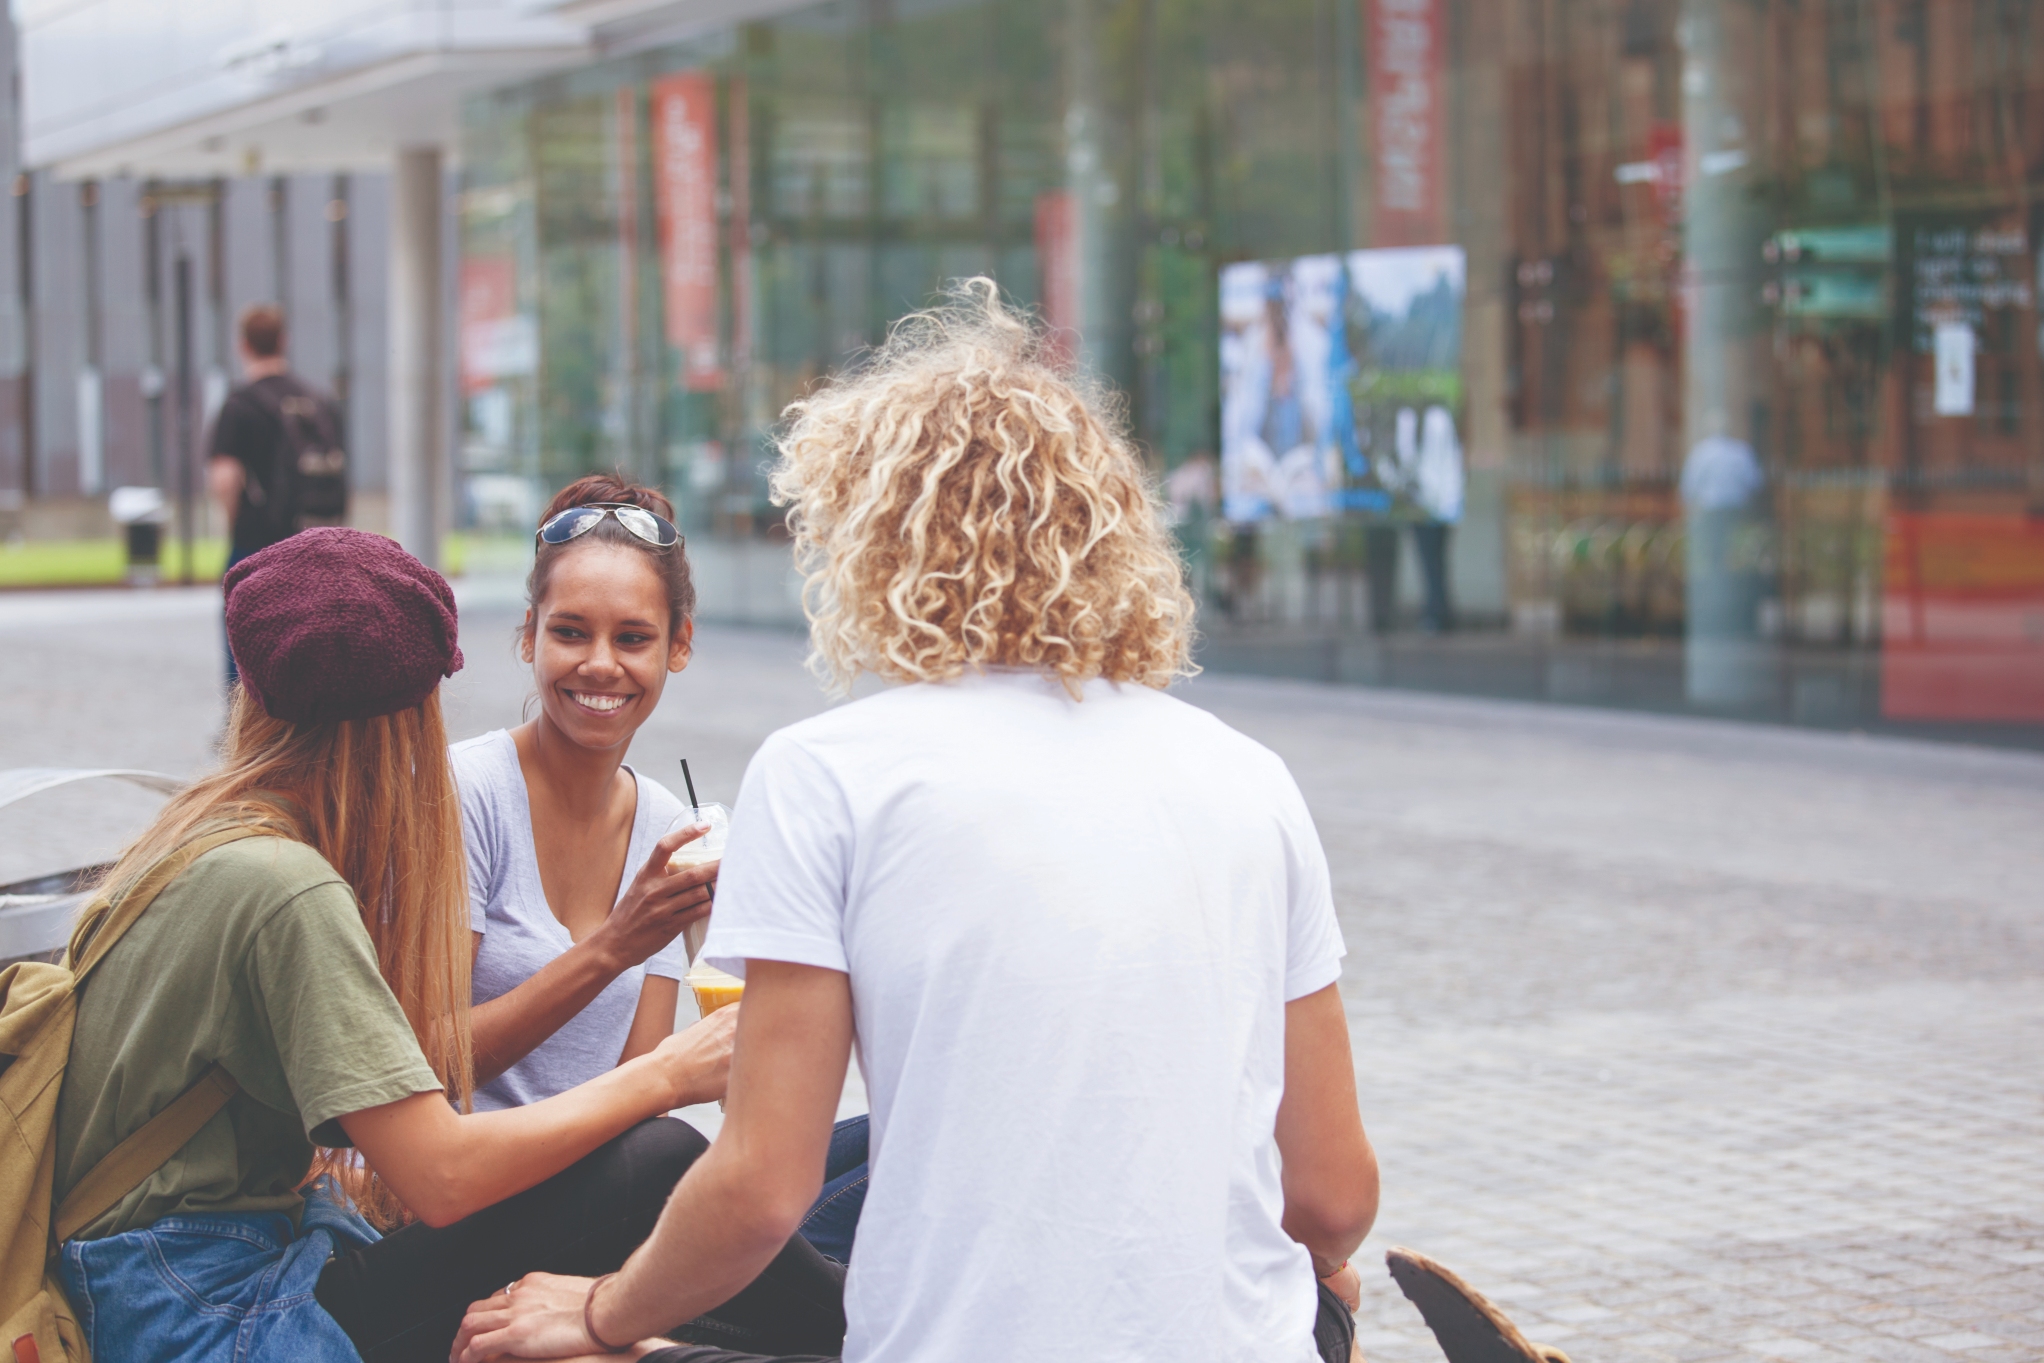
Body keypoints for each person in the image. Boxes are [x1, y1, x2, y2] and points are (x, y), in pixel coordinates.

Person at [454, 279, 1380, 1363]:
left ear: (871, 538)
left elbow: (758, 1187)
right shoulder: (1249, 777)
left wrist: (603, 1313)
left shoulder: (830, 775)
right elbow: (1330, 1194)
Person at [53, 528, 848, 1363]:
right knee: (663, 1160)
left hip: (183, 1275)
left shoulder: (203, 834)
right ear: (408, 718)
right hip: (212, 1314)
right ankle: (884, 1328)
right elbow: (439, 1177)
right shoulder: (284, 884)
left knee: (686, 1188)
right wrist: (669, 1074)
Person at [457, 473, 869, 1263]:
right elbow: (434, 1065)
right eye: (570, 632)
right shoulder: (467, 794)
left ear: (678, 645)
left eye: (633, 638)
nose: (600, 664)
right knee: (680, 1165)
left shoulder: (667, 830)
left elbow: (640, 1088)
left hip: (603, 1191)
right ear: (528, 638)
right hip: (479, 1200)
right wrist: (615, 943)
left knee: (877, 1150)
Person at [206, 303, 349, 683]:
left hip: (258, 544)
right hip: (316, 543)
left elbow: (225, 479)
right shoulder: (320, 401)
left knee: (246, 647)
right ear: (283, 342)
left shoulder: (240, 404)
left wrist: (237, 522)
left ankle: (249, 734)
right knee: (309, 644)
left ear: (244, 346)